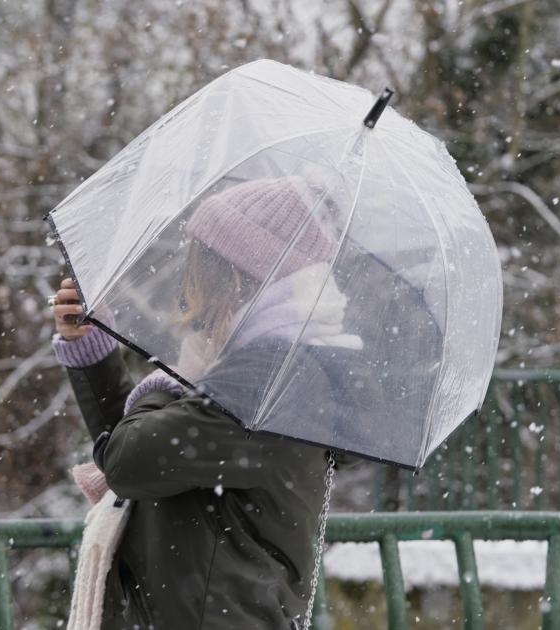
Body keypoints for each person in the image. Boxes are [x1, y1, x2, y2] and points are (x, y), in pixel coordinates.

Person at [51, 177, 349, 629]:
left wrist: (164, 384)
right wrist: (93, 353)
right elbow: (143, 463)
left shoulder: (269, 382)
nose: (189, 283)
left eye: (199, 261)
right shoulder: (255, 369)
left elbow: (130, 461)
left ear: (234, 274)